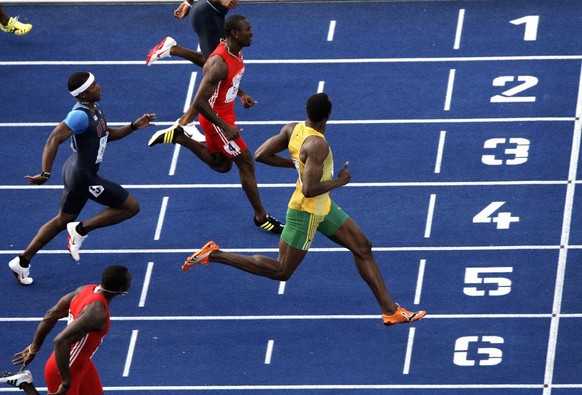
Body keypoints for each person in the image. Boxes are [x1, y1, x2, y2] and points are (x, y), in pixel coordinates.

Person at [182, 93, 427, 326]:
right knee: (281, 270)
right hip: (307, 212)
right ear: (327, 117)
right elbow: (310, 189)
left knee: (363, 247)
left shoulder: (293, 128)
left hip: (324, 207)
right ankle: (214, 254)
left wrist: (299, 164)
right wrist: (338, 181)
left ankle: (390, 311)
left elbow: (261, 154)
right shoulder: (318, 145)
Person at [7, 72, 156, 285]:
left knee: (62, 220)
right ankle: (80, 229)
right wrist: (45, 173)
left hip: (76, 171)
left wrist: (133, 126)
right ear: (84, 93)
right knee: (131, 207)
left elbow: (106, 134)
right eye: (94, 85)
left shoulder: (93, 108)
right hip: (82, 177)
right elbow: (53, 139)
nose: (99, 86)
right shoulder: (79, 115)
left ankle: (22, 261)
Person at [147, 15, 284, 235]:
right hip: (216, 120)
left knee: (222, 165)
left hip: (226, 114)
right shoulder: (219, 62)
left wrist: (240, 93)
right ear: (234, 34)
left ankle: (180, 137)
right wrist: (225, 127)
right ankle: (261, 216)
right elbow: (200, 102)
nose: (252, 33)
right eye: (248, 30)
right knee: (246, 162)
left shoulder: (234, 50)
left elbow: (227, 78)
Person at [0, 265, 132, 395]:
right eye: (129, 281)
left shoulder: (85, 290)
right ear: (122, 289)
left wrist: (34, 348)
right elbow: (60, 340)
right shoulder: (96, 312)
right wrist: (66, 383)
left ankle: (24, 381)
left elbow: (51, 314)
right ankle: (25, 384)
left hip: (83, 364)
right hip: (66, 368)